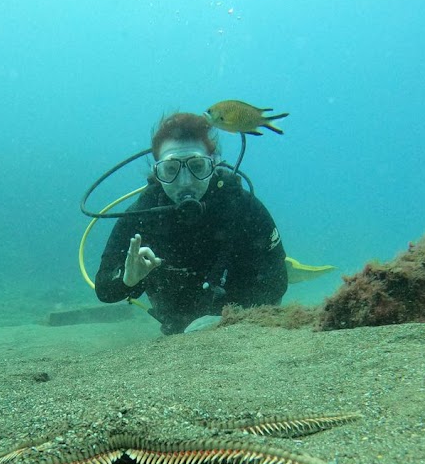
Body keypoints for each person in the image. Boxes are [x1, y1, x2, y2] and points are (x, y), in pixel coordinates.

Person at [94, 112, 288, 334]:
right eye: (170, 169)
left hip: (235, 320)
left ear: (213, 165)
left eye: (197, 166)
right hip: (176, 325)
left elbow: (276, 281)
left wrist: (230, 317)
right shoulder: (142, 216)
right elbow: (104, 289)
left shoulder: (241, 208)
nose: (185, 182)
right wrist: (127, 280)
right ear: (157, 172)